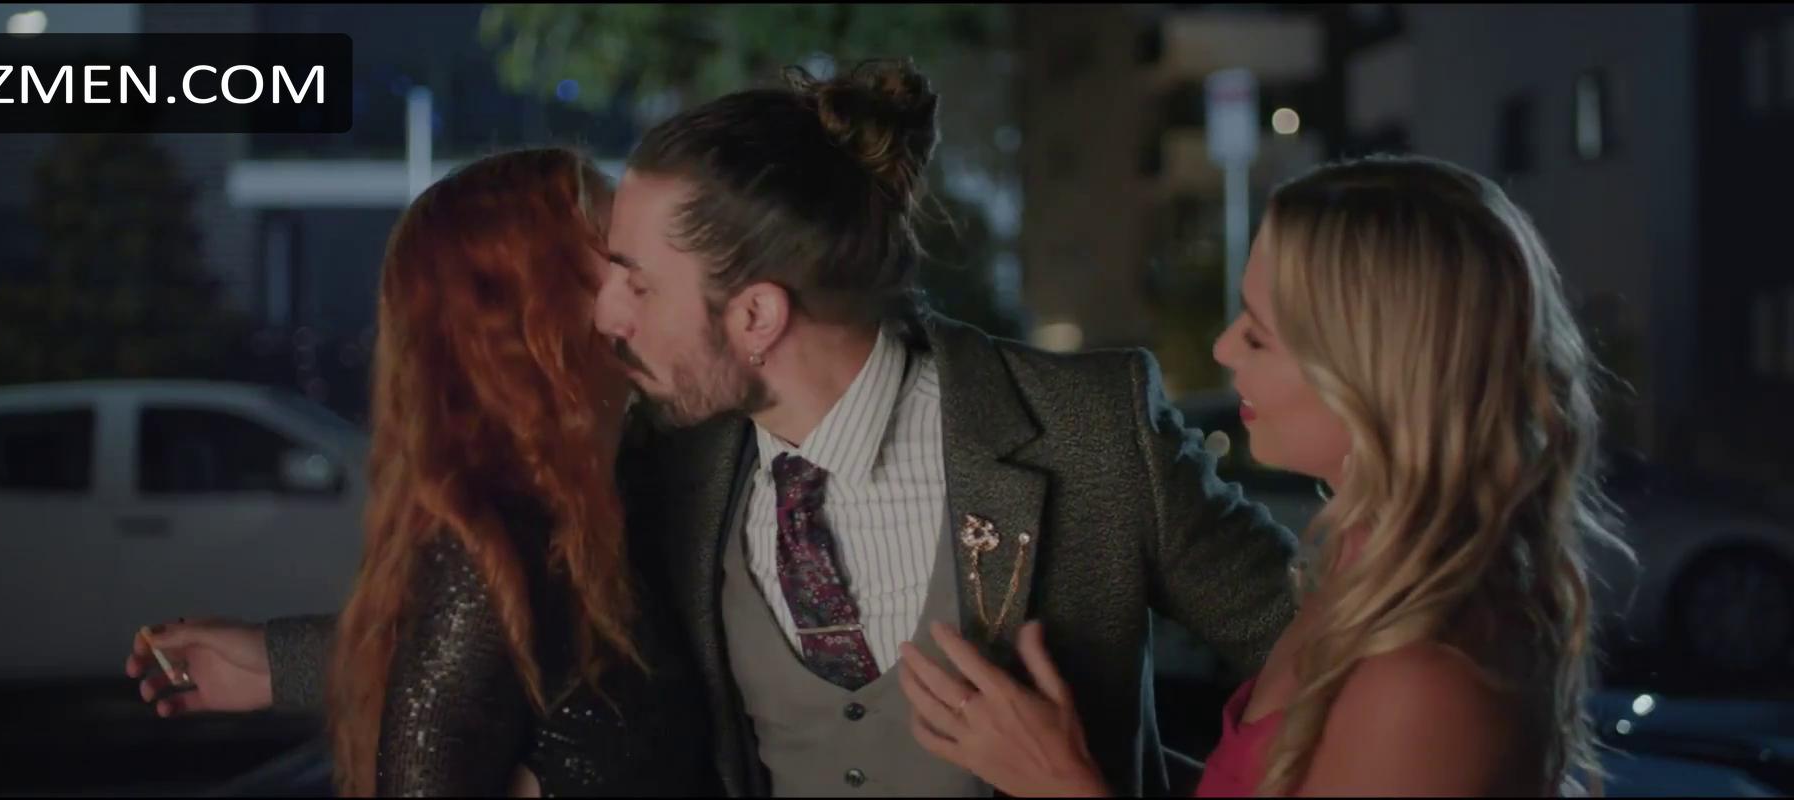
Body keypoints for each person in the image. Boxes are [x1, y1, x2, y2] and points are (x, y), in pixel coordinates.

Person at [128, 59, 1300, 797]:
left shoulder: (1090, 428)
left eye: (632, 279)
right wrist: (274, 661)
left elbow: (1346, 666)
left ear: (754, 314)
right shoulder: (672, 464)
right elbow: (520, 620)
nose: (601, 312)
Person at [900, 155, 1628, 796]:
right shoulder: (1359, 582)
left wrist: (1062, 784)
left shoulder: (1425, 681)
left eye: (1257, 334)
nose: (1223, 349)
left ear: (1371, 372)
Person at [127, 149, 711, 797]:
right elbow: (494, 643)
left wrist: (279, 660)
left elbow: (543, 658)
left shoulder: (623, 480)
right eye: (613, 245)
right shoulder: (498, 543)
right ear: (536, 305)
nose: (644, 261)